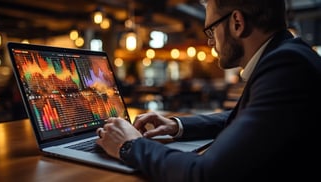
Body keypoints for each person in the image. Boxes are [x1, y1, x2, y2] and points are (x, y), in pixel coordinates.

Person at [95, 0, 321, 181]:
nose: (211, 42)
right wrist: (177, 125)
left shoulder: (286, 65)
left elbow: (205, 173)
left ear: (237, 23)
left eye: (211, 30)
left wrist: (130, 146)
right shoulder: (287, 57)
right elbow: (245, 119)